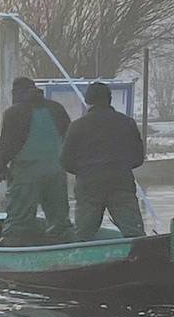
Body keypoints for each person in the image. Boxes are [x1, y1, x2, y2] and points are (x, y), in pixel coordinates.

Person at [61, 80, 148, 242]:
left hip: (89, 185)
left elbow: (65, 160)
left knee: (84, 235)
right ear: (109, 99)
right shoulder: (126, 123)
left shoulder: (77, 126)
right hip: (120, 183)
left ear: (88, 101)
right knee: (134, 234)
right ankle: (141, 262)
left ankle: (83, 264)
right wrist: (121, 166)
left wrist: (84, 170)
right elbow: (138, 157)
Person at [0, 76, 71, 241]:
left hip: (26, 175)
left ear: (16, 93)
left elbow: (6, 145)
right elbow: (69, 139)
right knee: (59, 222)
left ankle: (15, 256)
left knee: (18, 223)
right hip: (56, 174)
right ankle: (63, 252)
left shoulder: (14, 113)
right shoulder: (57, 109)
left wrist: (0, 167)